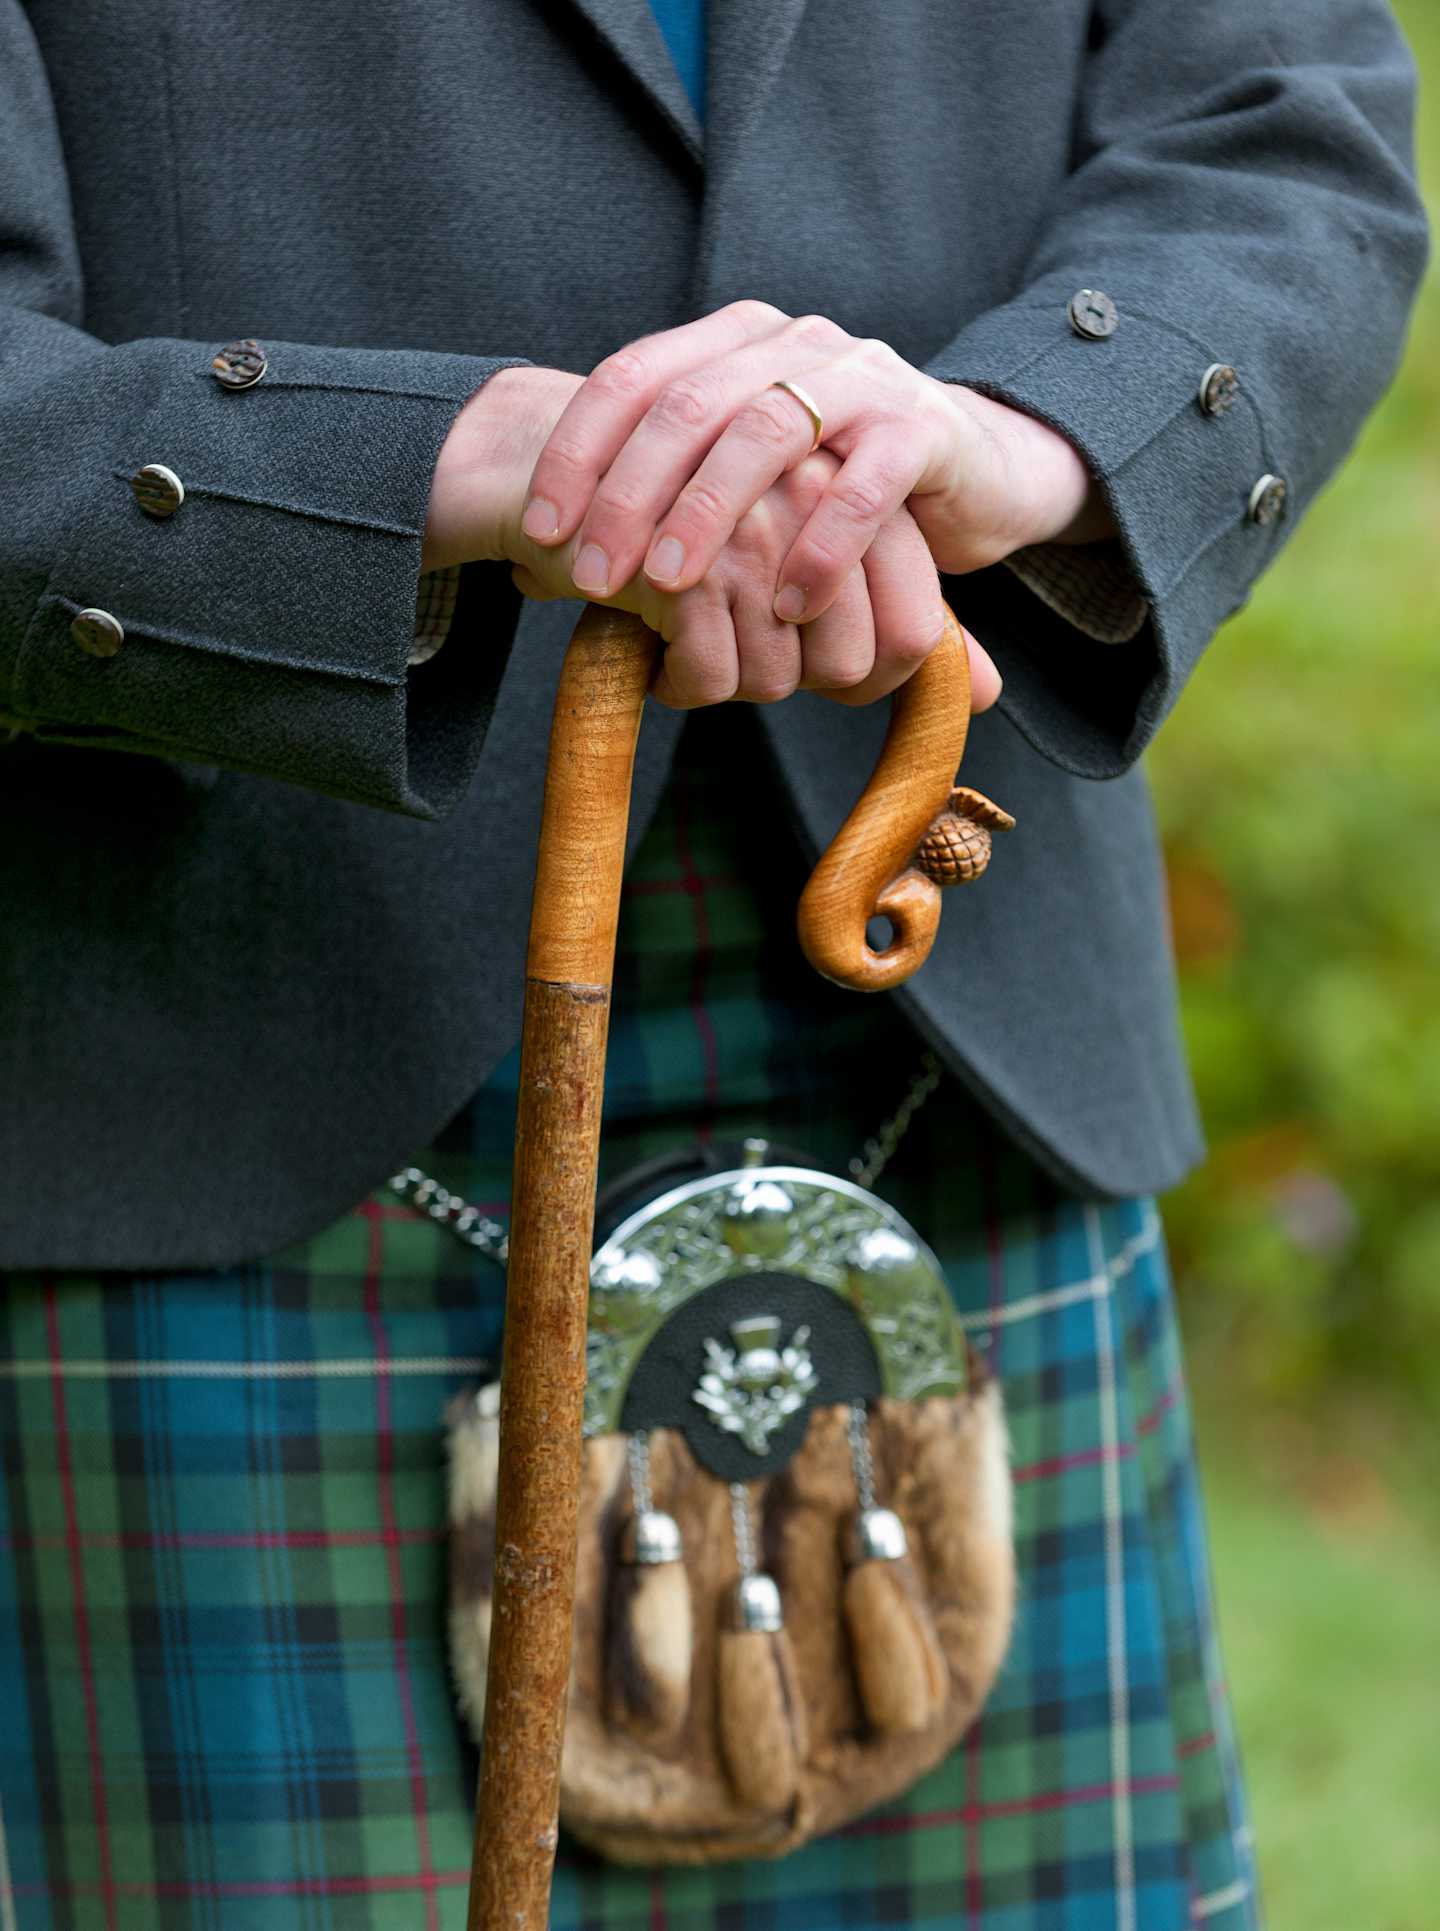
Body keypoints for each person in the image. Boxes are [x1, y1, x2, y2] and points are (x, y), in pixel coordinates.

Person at [0, 1, 1425, 1926]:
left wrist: (1020, 432)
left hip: (963, 1088)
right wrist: (452, 457)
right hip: (240, 1080)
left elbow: (1288, 123)